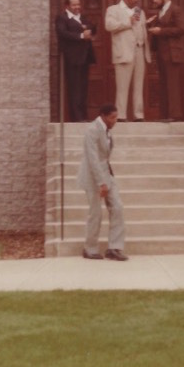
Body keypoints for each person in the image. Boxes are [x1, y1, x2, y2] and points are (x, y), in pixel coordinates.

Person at [76, 103, 128, 261]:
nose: (115, 120)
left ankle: (114, 248)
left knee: (117, 207)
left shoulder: (107, 130)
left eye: (116, 117)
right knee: (96, 213)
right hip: (92, 177)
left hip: (107, 174)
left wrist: (107, 179)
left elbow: (104, 157)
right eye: (112, 117)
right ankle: (90, 248)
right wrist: (101, 183)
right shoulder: (92, 130)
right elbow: (92, 159)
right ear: (103, 116)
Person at [104, 0, 150, 122]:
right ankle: (121, 115)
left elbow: (142, 29)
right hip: (123, 52)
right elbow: (109, 26)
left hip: (139, 50)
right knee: (122, 87)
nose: (137, 0)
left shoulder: (140, 11)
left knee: (139, 85)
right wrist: (128, 22)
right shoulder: (113, 9)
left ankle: (138, 115)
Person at [147, 0, 184, 122]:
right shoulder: (161, 12)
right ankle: (164, 115)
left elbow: (181, 29)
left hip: (172, 53)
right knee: (163, 84)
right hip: (161, 53)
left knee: (172, 85)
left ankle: (174, 115)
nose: (154, 0)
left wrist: (161, 31)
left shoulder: (176, 9)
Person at [55, 0, 96, 122]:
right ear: (67, 6)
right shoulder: (62, 18)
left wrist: (89, 30)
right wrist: (81, 35)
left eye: (78, 4)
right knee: (74, 88)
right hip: (72, 57)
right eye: (74, 5)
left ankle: (84, 116)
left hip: (84, 57)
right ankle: (76, 117)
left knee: (83, 87)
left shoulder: (82, 17)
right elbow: (62, 33)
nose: (77, 7)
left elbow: (92, 27)